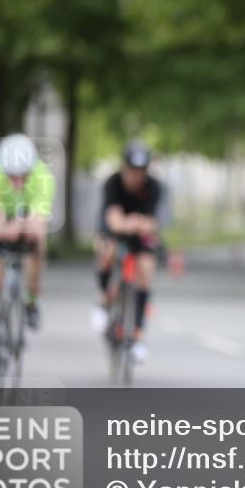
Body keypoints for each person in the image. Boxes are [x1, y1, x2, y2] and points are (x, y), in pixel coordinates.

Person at [0, 134, 56, 377]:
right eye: (12, 177)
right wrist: (16, 227)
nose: (18, 182)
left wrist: (28, 227)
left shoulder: (43, 176)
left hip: (23, 216)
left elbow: (38, 226)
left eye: (24, 176)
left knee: (38, 244)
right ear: (3, 170)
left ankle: (31, 297)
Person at [90, 141, 161, 363]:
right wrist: (131, 223)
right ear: (124, 168)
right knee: (107, 250)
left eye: (141, 173)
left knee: (146, 269)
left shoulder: (154, 187)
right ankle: (103, 299)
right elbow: (114, 221)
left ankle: (137, 335)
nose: (136, 177)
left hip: (138, 233)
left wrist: (134, 223)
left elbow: (151, 224)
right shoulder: (113, 183)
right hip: (113, 230)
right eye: (132, 172)